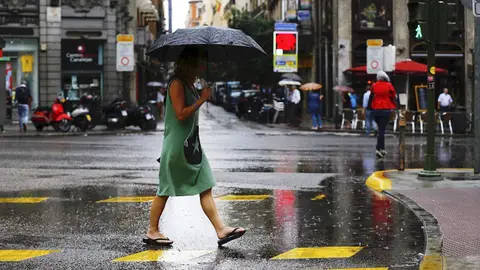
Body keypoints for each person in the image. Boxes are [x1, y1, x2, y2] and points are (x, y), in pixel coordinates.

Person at [145, 47, 246, 247]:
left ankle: (220, 229)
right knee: (165, 188)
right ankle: (152, 230)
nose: (201, 67)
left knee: (205, 184)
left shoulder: (188, 84)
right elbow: (181, 114)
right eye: (198, 63)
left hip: (192, 144)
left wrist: (200, 95)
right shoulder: (176, 84)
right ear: (188, 64)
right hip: (177, 145)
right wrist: (202, 99)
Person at [369, 71, 397, 158]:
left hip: (375, 109)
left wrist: (369, 108)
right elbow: (393, 96)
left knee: (381, 130)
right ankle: (378, 148)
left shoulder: (373, 85)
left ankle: (382, 148)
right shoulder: (389, 85)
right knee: (382, 130)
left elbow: (371, 96)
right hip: (385, 109)